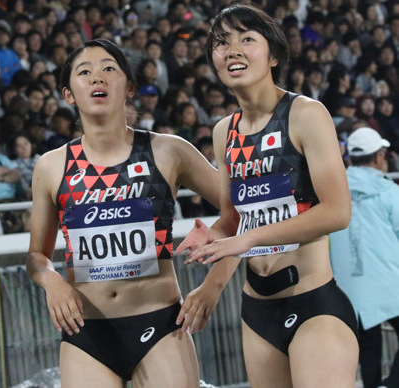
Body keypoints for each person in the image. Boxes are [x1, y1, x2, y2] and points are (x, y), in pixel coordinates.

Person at [177, 5, 358, 388]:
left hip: (312, 305)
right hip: (256, 310)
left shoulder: (306, 114)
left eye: (247, 39)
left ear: (273, 55)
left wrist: (249, 237)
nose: (233, 50)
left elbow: (338, 212)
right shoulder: (224, 131)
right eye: (222, 43)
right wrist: (214, 246)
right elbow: (234, 218)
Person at [26, 39, 220, 387]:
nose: (96, 77)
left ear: (129, 87)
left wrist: (213, 283)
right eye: (84, 72)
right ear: (69, 94)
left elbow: (248, 207)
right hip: (87, 335)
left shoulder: (169, 151)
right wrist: (51, 281)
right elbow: (37, 256)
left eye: (108, 69)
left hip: (160, 327)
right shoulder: (51, 167)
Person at [330, 127, 399, 388]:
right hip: (391, 282)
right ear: (379, 156)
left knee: (368, 348)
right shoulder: (389, 191)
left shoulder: (336, 189)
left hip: (348, 286)